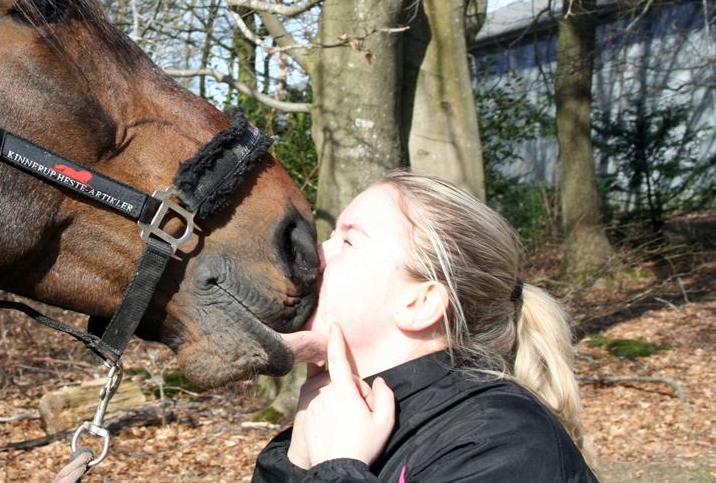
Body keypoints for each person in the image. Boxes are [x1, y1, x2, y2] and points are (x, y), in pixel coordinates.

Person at [255, 170, 600, 482]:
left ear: (420, 304)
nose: (317, 253)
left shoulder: (501, 442)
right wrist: (296, 461)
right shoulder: (346, 422)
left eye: (348, 241)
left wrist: (337, 470)